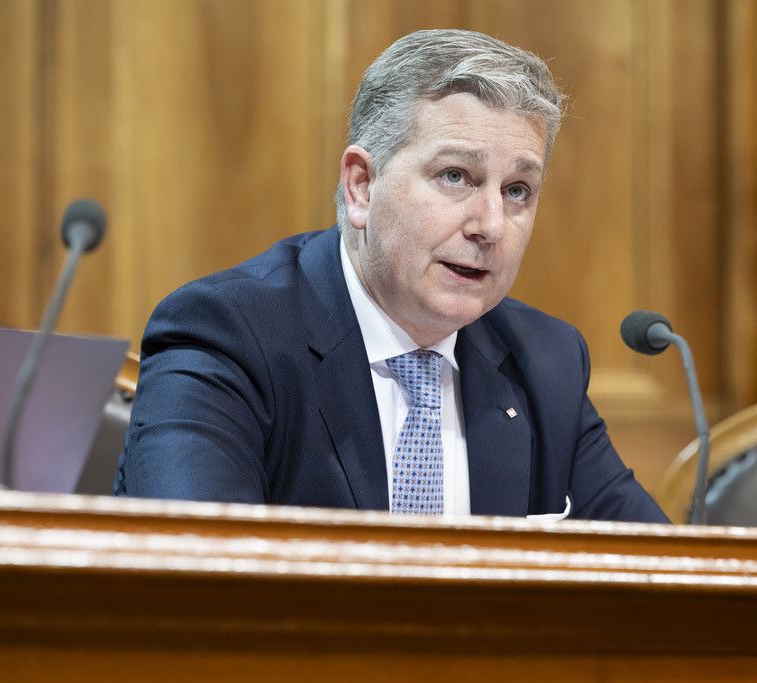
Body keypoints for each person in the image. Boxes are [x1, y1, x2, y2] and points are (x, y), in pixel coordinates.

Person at [115, 29, 669, 523]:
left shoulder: (546, 362)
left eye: (517, 190)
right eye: (455, 176)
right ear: (361, 185)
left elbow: (658, 573)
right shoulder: (228, 335)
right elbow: (196, 571)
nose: (491, 225)